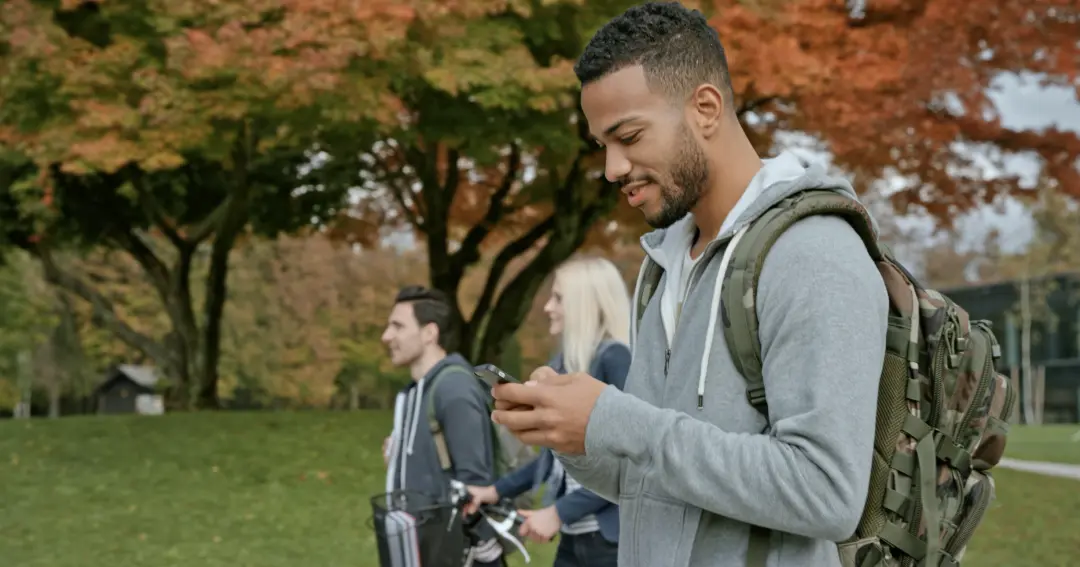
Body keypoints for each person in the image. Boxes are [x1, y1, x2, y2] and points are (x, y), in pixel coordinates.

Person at [487, 3, 890, 567]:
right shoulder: (662, 265)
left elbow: (825, 492)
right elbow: (648, 477)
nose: (612, 168)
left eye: (628, 136)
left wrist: (619, 419)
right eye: (603, 144)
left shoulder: (813, 252)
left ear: (705, 108)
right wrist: (571, 431)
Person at [465, 257, 631, 567]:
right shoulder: (561, 366)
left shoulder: (616, 359)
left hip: (611, 541)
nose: (547, 307)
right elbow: (552, 460)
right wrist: (494, 491)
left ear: (585, 303)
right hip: (575, 537)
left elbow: (627, 462)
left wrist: (557, 512)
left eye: (558, 298)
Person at [380, 286, 504, 567]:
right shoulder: (413, 393)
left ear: (429, 333)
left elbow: (476, 484)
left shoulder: (453, 388)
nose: (386, 336)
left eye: (397, 326)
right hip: (416, 549)